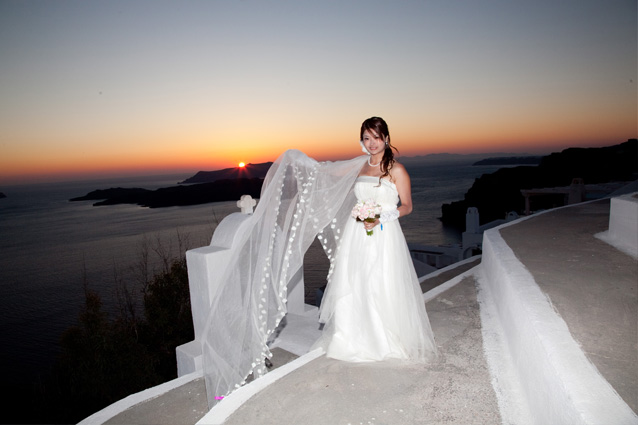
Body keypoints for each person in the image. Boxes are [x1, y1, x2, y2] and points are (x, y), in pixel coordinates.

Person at [314, 116, 438, 362]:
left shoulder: (397, 169)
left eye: (377, 138)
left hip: (383, 233)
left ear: (387, 139)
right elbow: (334, 180)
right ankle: (349, 336)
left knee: (378, 281)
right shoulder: (360, 166)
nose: (372, 143)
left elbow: (408, 206)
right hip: (356, 232)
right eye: (367, 138)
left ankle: (382, 339)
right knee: (355, 281)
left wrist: (382, 217)